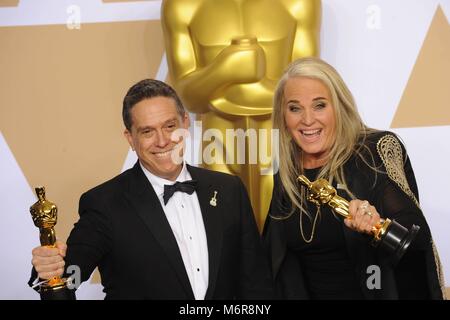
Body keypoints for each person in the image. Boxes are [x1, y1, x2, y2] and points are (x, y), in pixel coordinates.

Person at [30, 79, 273, 300]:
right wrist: (48, 270)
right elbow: (68, 276)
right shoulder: (105, 203)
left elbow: (255, 282)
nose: (162, 141)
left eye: (169, 126)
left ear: (185, 123)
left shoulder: (229, 190)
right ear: (130, 139)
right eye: (147, 131)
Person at [263, 57, 446, 300]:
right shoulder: (287, 176)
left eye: (319, 105)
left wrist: (378, 225)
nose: (307, 119)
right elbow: (276, 263)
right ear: (283, 117)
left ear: (339, 106)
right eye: (295, 108)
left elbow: (417, 237)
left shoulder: (374, 151)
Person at [161, 0, 321, 230]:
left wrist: (226, 87)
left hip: (278, 138)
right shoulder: (182, 6)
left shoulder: (299, 3)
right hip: (219, 138)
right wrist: (225, 69)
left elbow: (308, 87)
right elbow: (188, 98)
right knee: (223, 237)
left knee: (284, 234)